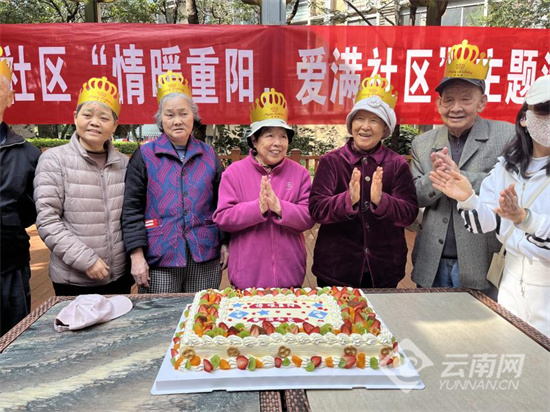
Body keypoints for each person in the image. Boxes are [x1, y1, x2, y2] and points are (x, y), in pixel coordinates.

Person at [430, 75, 550, 336]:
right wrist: (467, 197)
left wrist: (525, 219)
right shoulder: (510, 164)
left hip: (546, 287)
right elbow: (484, 222)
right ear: (525, 118)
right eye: (544, 110)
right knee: (510, 347)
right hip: (510, 284)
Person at [410, 39, 515, 297]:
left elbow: (512, 187)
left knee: (477, 323)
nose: (456, 108)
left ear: (482, 102)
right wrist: (437, 179)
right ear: (439, 104)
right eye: (449, 100)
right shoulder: (422, 144)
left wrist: (460, 178)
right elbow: (414, 196)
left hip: (481, 260)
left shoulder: (506, 135)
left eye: (466, 99)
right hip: (431, 261)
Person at [122, 71, 228, 293]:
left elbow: (223, 204)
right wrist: (136, 255)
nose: (177, 121)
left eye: (183, 113)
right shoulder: (144, 156)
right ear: (160, 120)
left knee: (203, 309)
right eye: (169, 115)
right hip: (159, 256)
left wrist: (226, 242)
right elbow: (131, 209)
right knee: (161, 312)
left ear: (193, 117)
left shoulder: (209, 155)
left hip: (204, 253)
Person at [309, 75, 418, 288]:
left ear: (385, 128)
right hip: (336, 269)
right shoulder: (332, 161)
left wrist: (382, 201)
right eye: (360, 118)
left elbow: (409, 214)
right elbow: (316, 210)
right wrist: (347, 200)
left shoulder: (397, 164)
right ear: (351, 124)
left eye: (374, 120)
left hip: (384, 269)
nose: (365, 127)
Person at [34, 76, 132, 296]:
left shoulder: (123, 164)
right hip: (74, 279)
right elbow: (47, 219)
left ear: (114, 125)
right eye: (87, 115)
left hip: (118, 276)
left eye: (104, 117)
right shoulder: (54, 160)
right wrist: (86, 260)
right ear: (75, 117)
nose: (95, 122)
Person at [213, 88, 315, 289]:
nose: (277, 143)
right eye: (269, 136)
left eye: (283, 136)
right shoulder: (234, 173)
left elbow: (309, 216)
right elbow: (222, 217)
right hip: (247, 279)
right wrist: (257, 208)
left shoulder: (300, 173)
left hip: (290, 277)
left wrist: (280, 207)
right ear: (254, 140)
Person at [0, 47, 41, 336]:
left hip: (10, 266)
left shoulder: (27, 154)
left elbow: (31, 209)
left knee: (13, 339)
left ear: (10, 97)